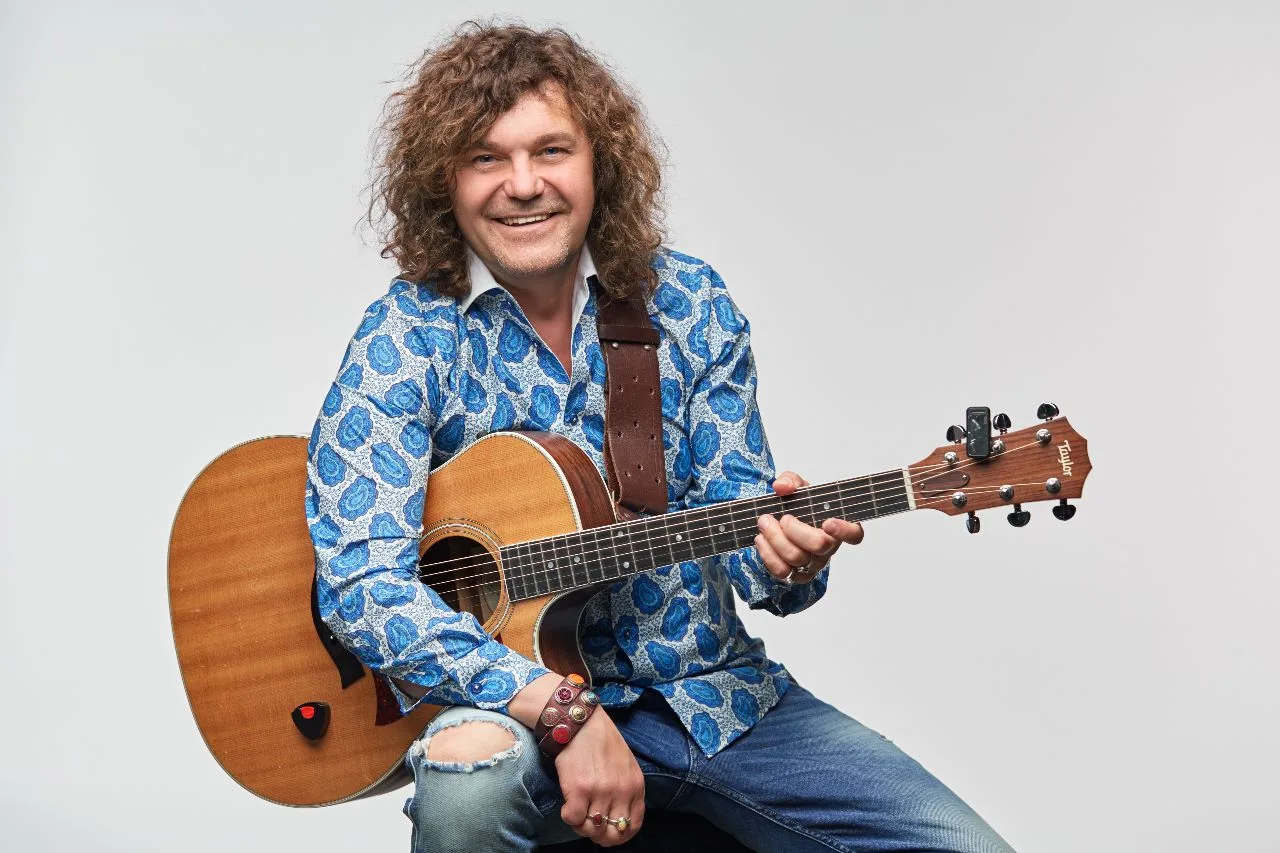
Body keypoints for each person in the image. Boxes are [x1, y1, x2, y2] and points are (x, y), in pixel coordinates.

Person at [306, 21, 1015, 853]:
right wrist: (562, 708)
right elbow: (361, 584)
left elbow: (745, 535)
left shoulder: (686, 304)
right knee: (466, 783)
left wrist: (787, 558)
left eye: (551, 150)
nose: (523, 185)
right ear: (444, 180)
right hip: (515, 710)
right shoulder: (407, 337)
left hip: (715, 698)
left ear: (598, 162)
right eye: (486, 157)